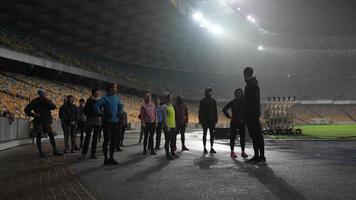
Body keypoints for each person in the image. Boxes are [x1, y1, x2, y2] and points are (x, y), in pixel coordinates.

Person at [24, 90, 62, 157]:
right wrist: (34, 115)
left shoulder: (47, 100)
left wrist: (47, 101)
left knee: (51, 135)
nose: (44, 95)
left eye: (44, 94)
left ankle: (55, 150)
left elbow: (53, 107)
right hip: (39, 121)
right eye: (42, 94)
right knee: (39, 136)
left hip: (47, 121)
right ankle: (41, 151)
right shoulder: (35, 101)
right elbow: (26, 109)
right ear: (39, 94)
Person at [94, 83, 123, 165]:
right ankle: (106, 159)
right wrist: (102, 113)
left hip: (116, 122)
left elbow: (120, 106)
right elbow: (96, 106)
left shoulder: (117, 98)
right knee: (107, 140)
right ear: (110, 88)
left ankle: (111, 157)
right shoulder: (105, 98)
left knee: (114, 140)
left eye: (116, 87)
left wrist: (120, 111)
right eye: (115, 87)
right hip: (107, 122)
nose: (116, 89)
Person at [243, 67, 266, 165]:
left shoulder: (251, 84)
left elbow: (252, 102)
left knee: (256, 136)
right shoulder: (253, 84)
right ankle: (258, 156)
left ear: (245, 74)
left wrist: (249, 114)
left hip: (252, 115)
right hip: (254, 114)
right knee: (255, 136)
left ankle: (260, 157)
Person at [222, 89, 248, 158]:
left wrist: (245, 118)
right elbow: (224, 109)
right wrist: (229, 116)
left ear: (242, 94)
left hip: (242, 122)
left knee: (242, 137)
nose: (239, 94)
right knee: (232, 137)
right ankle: (232, 152)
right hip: (234, 122)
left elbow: (247, 111)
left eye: (240, 93)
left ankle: (243, 151)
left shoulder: (244, 102)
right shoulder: (232, 102)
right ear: (235, 94)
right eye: (238, 93)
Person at [81, 88, 102, 159]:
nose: (99, 93)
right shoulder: (89, 100)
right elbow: (85, 110)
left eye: (99, 92)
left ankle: (93, 153)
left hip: (98, 120)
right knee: (87, 137)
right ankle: (84, 153)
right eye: (98, 92)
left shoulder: (100, 101)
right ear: (94, 93)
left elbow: (102, 110)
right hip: (90, 120)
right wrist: (90, 115)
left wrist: (100, 114)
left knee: (95, 138)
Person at [199, 87, 218, 154]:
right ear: (206, 92)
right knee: (205, 134)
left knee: (212, 134)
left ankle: (211, 147)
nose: (209, 92)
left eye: (210, 91)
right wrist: (200, 120)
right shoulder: (202, 101)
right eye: (208, 91)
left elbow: (215, 111)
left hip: (211, 120)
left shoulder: (213, 101)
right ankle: (204, 148)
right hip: (205, 120)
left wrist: (216, 119)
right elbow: (200, 111)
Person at [161, 93, 178, 160]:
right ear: (167, 98)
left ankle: (173, 153)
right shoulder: (164, 106)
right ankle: (168, 155)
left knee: (173, 141)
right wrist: (167, 126)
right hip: (167, 126)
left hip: (173, 126)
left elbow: (173, 117)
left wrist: (175, 125)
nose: (171, 98)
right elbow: (165, 118)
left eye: (172, 97)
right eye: (170, 97)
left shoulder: (171, 106)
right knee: (168, 141)